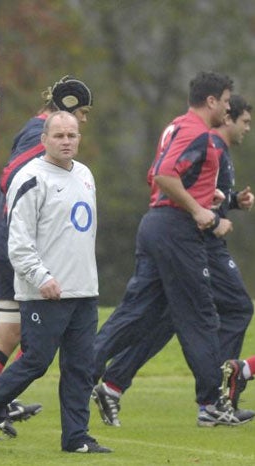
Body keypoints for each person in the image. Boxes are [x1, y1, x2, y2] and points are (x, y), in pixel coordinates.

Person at [90, 70, 243, 430]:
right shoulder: (197, 132)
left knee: (140, 311)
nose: (227, 107)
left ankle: (83, 367)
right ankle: (211, 405)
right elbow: (163, 173)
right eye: (225, 101)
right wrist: (197, 208)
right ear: (210, 102)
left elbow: (156, 177)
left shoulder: (176, 126)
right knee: (201, 316)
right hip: (176, 229)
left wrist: (210, 195)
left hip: (156, 224)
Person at [0, 76, 93, 439]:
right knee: (23, 344)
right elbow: (13, 177)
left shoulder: (59, 150)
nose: (80, 126)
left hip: (9, 246)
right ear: (64, 112)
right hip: (12, 246)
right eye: (81, 114)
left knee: (9, 333)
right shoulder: (39, 137)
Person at [0, 111, 111, 454]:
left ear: (79, 138)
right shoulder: (31, 178)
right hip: (43, 293)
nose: (66, 141)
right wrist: (41, 277)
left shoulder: (85, 175)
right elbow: (17, 242)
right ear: (44, 139)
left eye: (72, 135)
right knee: (36, 361)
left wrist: (87, 280)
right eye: (59, 135)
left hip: (83, 291)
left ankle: (76, 438)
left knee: (80, 367)